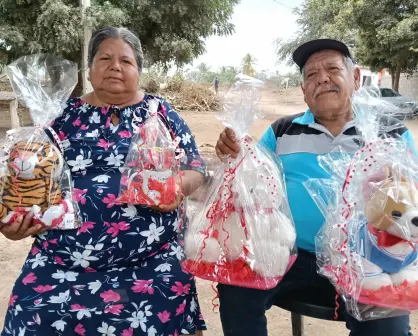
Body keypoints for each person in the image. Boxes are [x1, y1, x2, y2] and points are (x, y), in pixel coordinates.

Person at [1, 27, 207, 336]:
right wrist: (16, 219)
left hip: (152, 261)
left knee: (160, 308)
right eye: (105, 58)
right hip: (61, 262)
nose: (115, 66)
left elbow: (195, 168)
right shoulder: (60, 116)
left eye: (126, 61)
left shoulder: (161, 112)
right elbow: (25, 180)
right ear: (90, 67)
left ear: (138, 70)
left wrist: (178, 186)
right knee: (28, 310)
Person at [215, 39, 417, 336]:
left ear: (356, 78)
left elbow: (411, 198)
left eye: (333, 69)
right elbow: (252, 182)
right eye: (311, 75)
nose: (322, 78)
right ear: (303, 90)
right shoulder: (281, 131)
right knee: (235, 290)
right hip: (290, 256)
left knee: (386, 325)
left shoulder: (390, 134)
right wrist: (232, 157)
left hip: (367, 261)